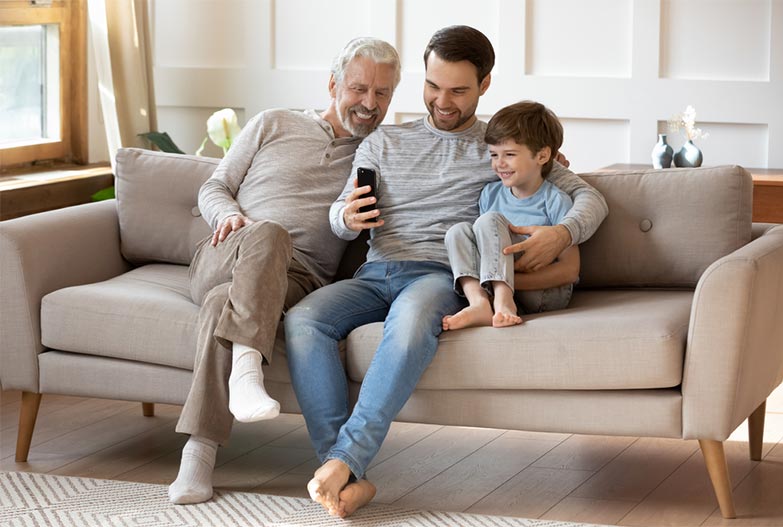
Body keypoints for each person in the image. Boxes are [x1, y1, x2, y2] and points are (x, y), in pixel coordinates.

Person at [283, 25, 609, 518]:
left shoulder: (502, 146)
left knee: (410, 324)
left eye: (458, 90)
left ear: (485, 85)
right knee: (303, 320)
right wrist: (344, 218)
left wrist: (562, 234)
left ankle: (343, 460)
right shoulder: (383, 142)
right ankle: (348, 472)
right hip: (377, 271)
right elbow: (339, 214)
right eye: (433, 86)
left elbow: (590, 197)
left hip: (442, 275)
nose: (442, 101)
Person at [167, 37, 401, 505]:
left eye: (382, 94)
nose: (369, 104)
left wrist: (545, 165)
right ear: (333, 83)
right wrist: (228, 217)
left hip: (297, 280)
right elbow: (215, 186)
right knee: (268, 234)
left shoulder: (383, 151)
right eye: (359, 89)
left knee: (221, 305)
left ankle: (198, 456)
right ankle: (246, 371)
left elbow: (460, 156)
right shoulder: (273, 122)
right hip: (228, 250)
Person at [443, 100, 580, 330]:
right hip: (499, 290)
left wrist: (508, 282)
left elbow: (570, 271)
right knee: (457, 232)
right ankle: (479, 303)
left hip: (543, 294)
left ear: (542, 156)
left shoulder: (556, 200)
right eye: (494, 154)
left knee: (489, 220)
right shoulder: (490, 194)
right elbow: (485, 250)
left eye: (509, 154)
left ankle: (502, 299)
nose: (499, 164)